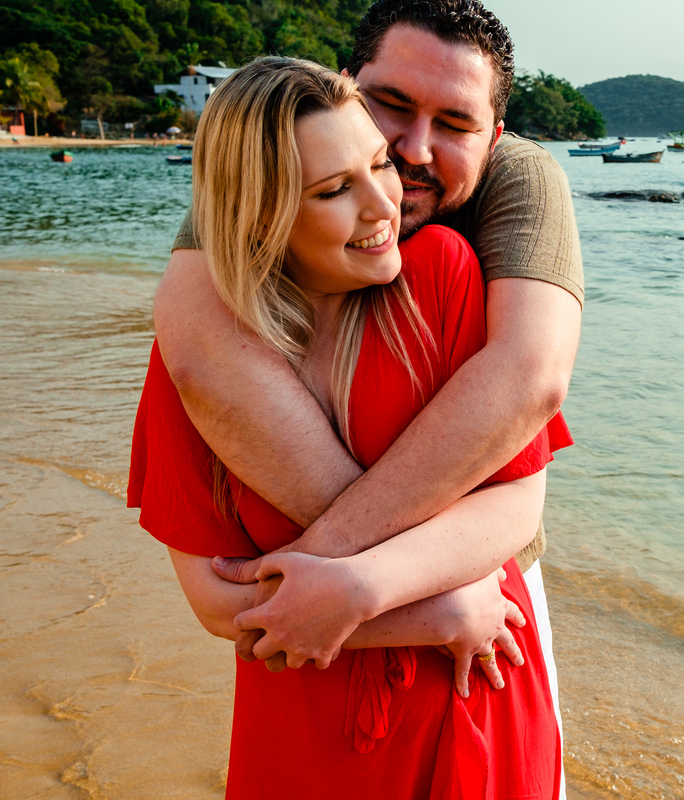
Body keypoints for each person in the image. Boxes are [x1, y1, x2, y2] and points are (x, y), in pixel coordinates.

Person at [153, 3, 581, 762]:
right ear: (349, 87)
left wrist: (346, 574)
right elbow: (195, 342)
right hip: (354, 637)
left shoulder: (490, 218)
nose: (409, 154)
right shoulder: (281, 151)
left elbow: (528, 382)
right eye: (391, 105)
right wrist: (404, 600)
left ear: (495, 137)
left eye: (455, 123)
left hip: (480, 583)